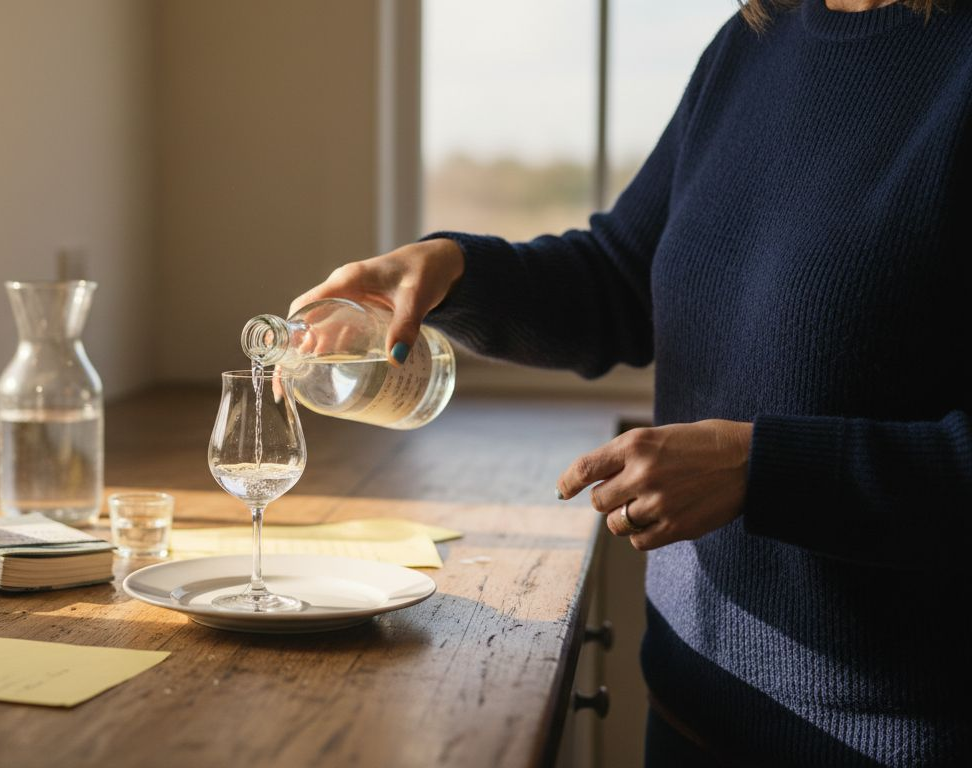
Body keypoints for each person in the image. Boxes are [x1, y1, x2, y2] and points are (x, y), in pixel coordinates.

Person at [290, 0, 971, 764]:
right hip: (693, 710)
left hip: (901, 739)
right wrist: (455, 270)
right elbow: (622, 279)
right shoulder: (754, 42)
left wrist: (765, 468)